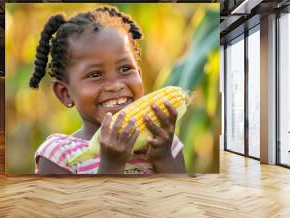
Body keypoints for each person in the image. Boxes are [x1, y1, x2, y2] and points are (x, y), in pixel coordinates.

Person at [29, 6, 185, 175]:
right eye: (95, 74)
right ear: (65, 93)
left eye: (125, 69)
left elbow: (182, 198)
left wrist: (163, 156)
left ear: (139, 75)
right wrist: (111, 166)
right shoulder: (59, 155)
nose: (115, 85)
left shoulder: (164, 143)